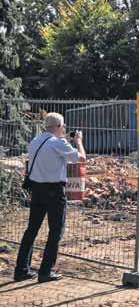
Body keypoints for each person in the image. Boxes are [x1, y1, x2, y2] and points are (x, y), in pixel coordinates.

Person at [14, 112, 86, 283]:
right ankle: (45, 271)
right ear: (59, 126)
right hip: (54, 191)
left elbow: (51, 155)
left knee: (31, 230)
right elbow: (81, 158)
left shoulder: (35, 142)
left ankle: (21, 269)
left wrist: (65, 141)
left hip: (37, 190)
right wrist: (78, 142)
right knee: (55, 231)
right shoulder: (58, 143)